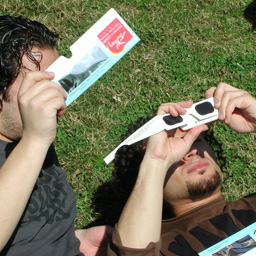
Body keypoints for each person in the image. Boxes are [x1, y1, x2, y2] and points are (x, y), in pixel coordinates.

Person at [0, 15, 112, 256]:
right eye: (38, 86)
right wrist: (35, 140)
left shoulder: (26, 135)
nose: (58, 97)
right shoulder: (33, 138)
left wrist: (76, 239)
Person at [108, 82, 256, 255]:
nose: (190, 152)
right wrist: (156, 159)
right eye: (174, 151)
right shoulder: (162, 248)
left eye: (196, 141)